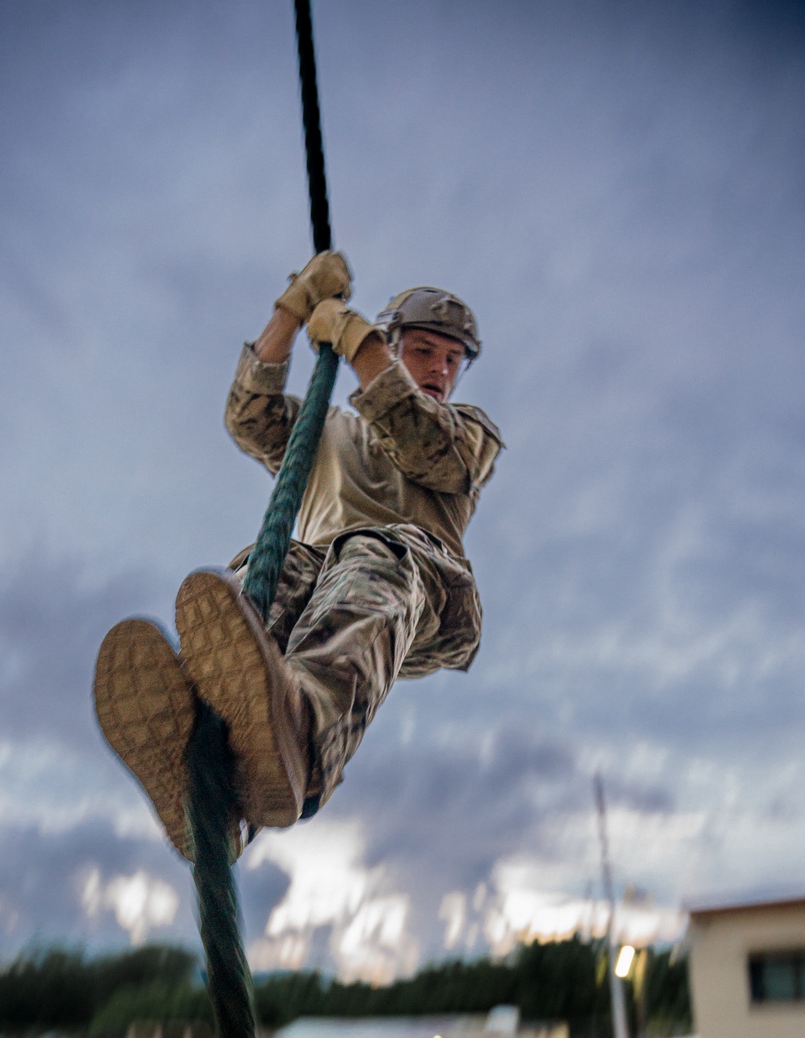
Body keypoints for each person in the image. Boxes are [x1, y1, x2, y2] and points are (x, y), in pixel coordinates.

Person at [94, 252, 503, 860]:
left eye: (452, 359)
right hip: (313, 570)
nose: (441, 369)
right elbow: (250, 418)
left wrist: (353, 337)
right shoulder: (327, 427)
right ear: (397, 347)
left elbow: (423, 444)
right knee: (262, 582)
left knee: (372, 553)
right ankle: (213, 781)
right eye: (423, 351)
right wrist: (292, 308)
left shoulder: (469, 432)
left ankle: (303, 735)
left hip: (413, 582)